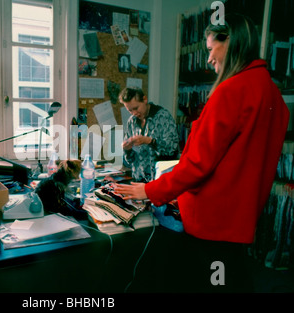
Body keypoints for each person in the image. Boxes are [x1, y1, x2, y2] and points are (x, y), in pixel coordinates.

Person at [114, 13, 290, 293]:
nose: (208, 59)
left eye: (210, 49)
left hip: (213, 220)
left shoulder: (230, 91)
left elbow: (197, 164)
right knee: (229, 280)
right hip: (241, 218)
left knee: (205, 282)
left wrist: (150, 190)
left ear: (230, 41)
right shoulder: (272, 93)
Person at [120, 87, 179, 183]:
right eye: (130, 110)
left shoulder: (163, 116)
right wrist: (127, 150)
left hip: (160, 181)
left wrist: (149, 141)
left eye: (136, 108)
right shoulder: (132, 121)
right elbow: (129, 161)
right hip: (139, 180)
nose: (134, 113)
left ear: (145, 99)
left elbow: (172, 150)